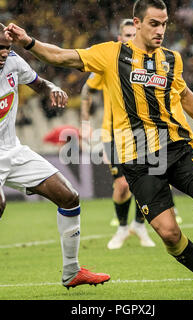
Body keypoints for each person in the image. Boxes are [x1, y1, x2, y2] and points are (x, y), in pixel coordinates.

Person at [4, 0, 193, 299]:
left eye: (164, 23)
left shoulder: (171, 59)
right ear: (137, 23)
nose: (161, 30)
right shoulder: (111, 54)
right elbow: (62, 56)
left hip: (175, 147)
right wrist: (29, 42)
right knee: (169, 234)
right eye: (154, 23)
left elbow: (184, 92)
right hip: (137, 158)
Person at [0, 21, 110, 300]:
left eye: (8, 48)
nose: (5, 53)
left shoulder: (14, 62)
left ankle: (72, 272)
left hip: (14, 149)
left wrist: (52, 88)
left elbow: (38, 83)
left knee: (70, 197)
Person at [80, 19, 156, 250]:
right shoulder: (109, 62)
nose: (131, 38)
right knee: (122, 185)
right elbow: (86, 89)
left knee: (145, 183)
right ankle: (123, 228)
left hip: (144, 133)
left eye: (135, 34)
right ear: (119, 38)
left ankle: (139, 226)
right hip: (113, 134)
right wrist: (85, 122)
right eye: (127, 34)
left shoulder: (149, 62)